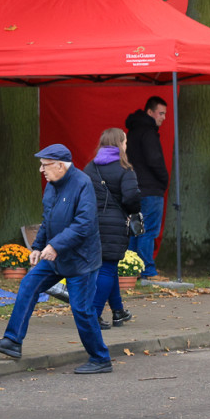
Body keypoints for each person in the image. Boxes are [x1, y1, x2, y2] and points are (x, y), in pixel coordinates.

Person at [0, 145, 112, 375]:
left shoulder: (83, 184)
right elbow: (48, 219)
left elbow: (84, 225)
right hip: (54, 255)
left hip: (81, 259)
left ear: (60, 165)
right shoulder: (52, 186)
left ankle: (100, 358)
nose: (42, 170)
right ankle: (12, 341)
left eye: (45, 165)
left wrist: (55, 245)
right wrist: (38, 246)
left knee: (82, 310)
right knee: (28, 285)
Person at [86, 128, 141, 330]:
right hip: (114, 225)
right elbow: (131, 199)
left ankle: (118, 311)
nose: (126, 145)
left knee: (108, 268)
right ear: (119, 144)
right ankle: (93, 315)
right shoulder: (124, 169)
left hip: (91, 224)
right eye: (125, 142)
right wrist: (133, 209)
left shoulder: (90, 168)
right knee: (107, 269)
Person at [125, 96, 168, 278]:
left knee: (135, 230)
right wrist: (164, 179)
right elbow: (154, 159)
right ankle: (147, 270)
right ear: (150, 112)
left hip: (134, 188)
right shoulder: (149, 132)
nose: (164, 117)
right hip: (151, 189)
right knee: (148, 231)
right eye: (161, 113)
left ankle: (129, 269)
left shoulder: (132, 131)